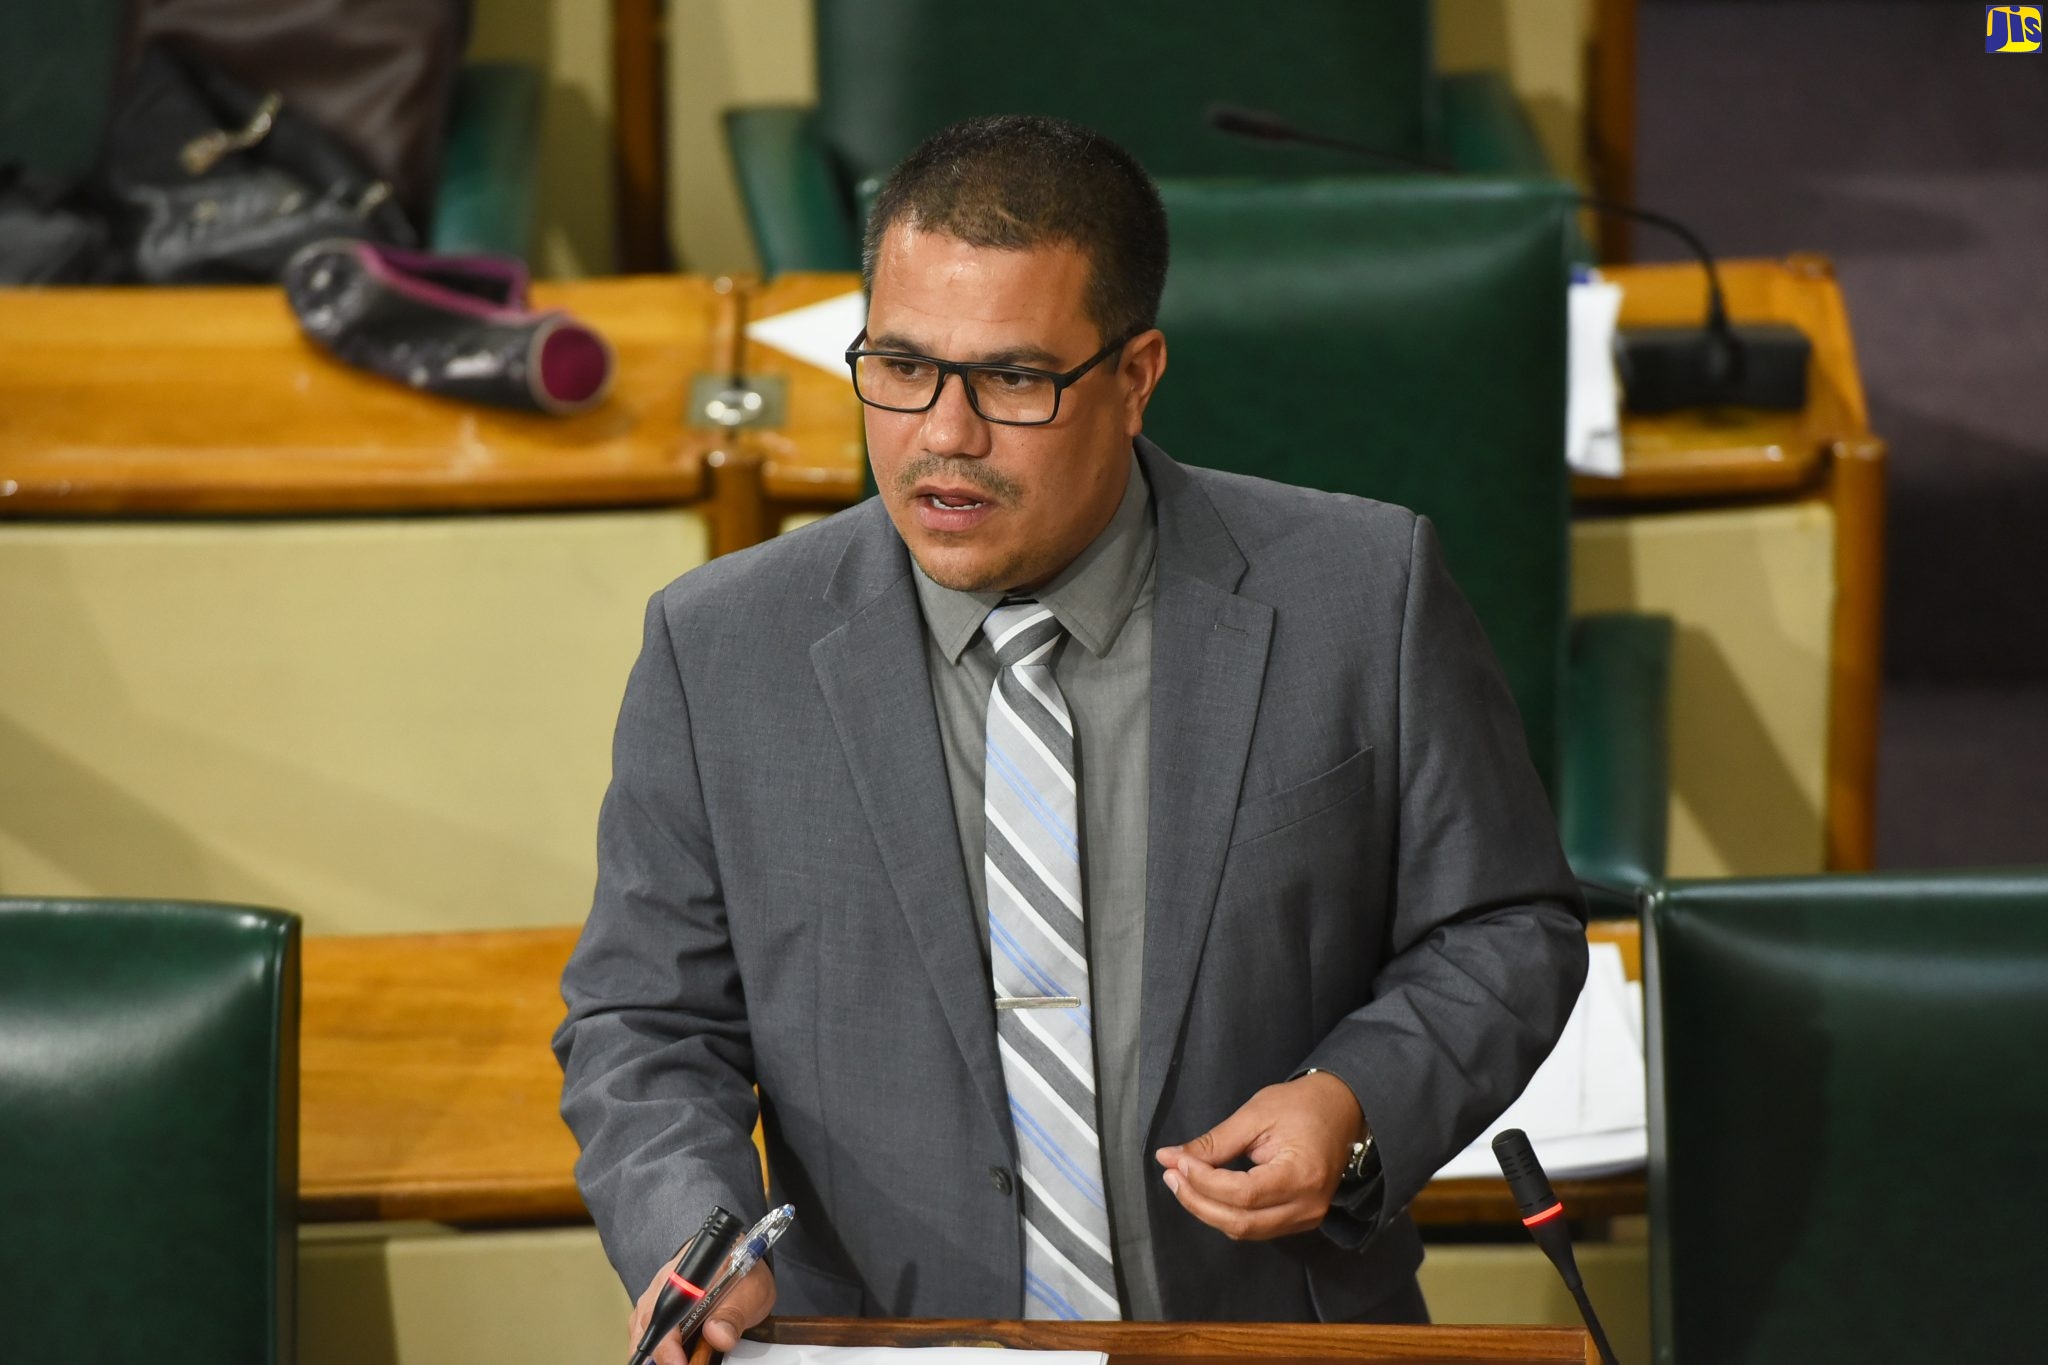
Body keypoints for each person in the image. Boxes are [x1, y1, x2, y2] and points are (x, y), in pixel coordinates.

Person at [554, 114, 1586, 1360]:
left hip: (1266, 1333)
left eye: (1011, 380)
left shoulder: (1362, 595)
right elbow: (645, 1018)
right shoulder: (718, 650)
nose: (942, 434)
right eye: (899, 366)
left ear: (1136, 375)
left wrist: (1352, 1104)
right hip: (888, 1342)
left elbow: (1502, 930)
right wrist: (691, 1233)